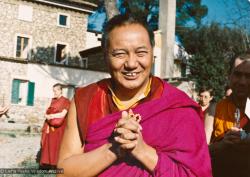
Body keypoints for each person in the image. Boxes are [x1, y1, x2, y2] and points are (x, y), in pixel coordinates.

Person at [57, 14, 212, 177]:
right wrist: (113, 149)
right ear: (106, 57)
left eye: (141, 52)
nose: (131, 64)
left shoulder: (178, 107)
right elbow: (62, 172)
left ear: (152, 55)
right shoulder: (86, 100)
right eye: (120, 54)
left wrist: (142, 150)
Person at [209, 53, 250, 177]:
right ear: (229, 76)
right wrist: (222, 145)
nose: (243, 82)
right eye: (237, 74)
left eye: (248, 76)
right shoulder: (214, 110)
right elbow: (199, 152)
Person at [40, 83, 70, 169]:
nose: (55, 93)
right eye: (53, 91)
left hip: (59, 127)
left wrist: (51, 116)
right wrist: (46, 115)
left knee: (57, 146)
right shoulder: (52, 100)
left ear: (61, 90)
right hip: (50, 125)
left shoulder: (66, 101)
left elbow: (63, 114)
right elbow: (46, 110)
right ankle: (48, 164)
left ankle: (56, 165)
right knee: (49, 145)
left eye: (56, 90)